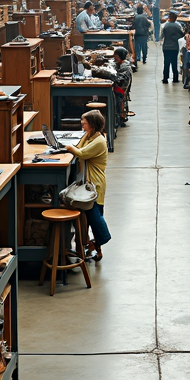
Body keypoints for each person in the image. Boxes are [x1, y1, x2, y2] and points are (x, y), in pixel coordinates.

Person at [64, 110, 111, 260]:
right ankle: (91, 246)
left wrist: (68, 147)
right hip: (88, 182)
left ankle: (100, 241)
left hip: (94, 184)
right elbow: (80, 146)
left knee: (94, 215)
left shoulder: (99, 141)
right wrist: (82, 137)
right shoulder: (91, 136)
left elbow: (81, 153)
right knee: (89, 216)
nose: (81, 125)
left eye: (84, 123)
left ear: (92, 125)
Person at [159, 11, 185, 84]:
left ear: (169, 18)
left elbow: (161, 37)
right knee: (174, 62)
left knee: (166, 63)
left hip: (166, 47)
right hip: (175, 47)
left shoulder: (165, 26)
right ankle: (175, 78)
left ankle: (165, 79)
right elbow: (182, 35)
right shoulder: (178, 26)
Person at [113, 46, 133, 125]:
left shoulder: (124, 66)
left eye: (117, 57)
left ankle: (120, 117)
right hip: (122, 89)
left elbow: (120, 80)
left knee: (119, 102)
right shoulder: (123, 64)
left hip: (121, 89)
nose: (115, 59)